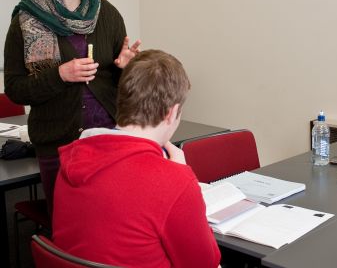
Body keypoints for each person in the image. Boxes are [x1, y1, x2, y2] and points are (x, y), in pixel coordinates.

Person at [3, 0, 141, 215]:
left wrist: (125, 67)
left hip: (108, 138)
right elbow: (15, 90)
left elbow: (117, 85)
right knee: (70, 227)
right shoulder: (27, 19)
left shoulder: (108, 14)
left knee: (112, 222)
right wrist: (60, 75)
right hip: (57, 144)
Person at [52, 50, 221, 267]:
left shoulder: (73, 156)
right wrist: (182, 176)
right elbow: (204, 263)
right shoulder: (174, 180)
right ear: (171, 112)